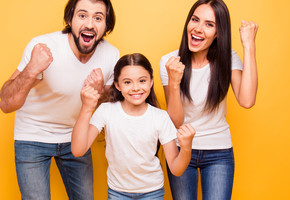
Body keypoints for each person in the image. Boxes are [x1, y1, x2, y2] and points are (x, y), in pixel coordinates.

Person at [0, 0, 120, 200]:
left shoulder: (111, 55)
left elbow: (111, 101)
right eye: (82, 15)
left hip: (75, 137)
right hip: (32, 136)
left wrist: (100, 91)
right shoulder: (43, 46)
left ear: (106, 26)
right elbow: (6, 104)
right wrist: (31, 69)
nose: (89, 24)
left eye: (98, 18)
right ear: (70, 19)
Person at [159, 0, 258, 200]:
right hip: (180, 149)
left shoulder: (227, 58)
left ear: (218, 33)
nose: (198, 28)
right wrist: (174, 81)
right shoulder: (169, 62)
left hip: (218, 152)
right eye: (194, 20)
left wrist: (248, 45)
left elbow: (246, 100)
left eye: (209, 24)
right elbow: (176, 120)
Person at [71, 53, 196, 200]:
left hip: (152, 193)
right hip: (117, 192)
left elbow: (176, 169)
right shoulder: (106, 111)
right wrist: (86, 108)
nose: (136, 88)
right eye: (127, 82)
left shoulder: (160, 117)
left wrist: (187, 147)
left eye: (142, 80)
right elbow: (78, 150)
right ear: (117, 85)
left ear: (151, 82)